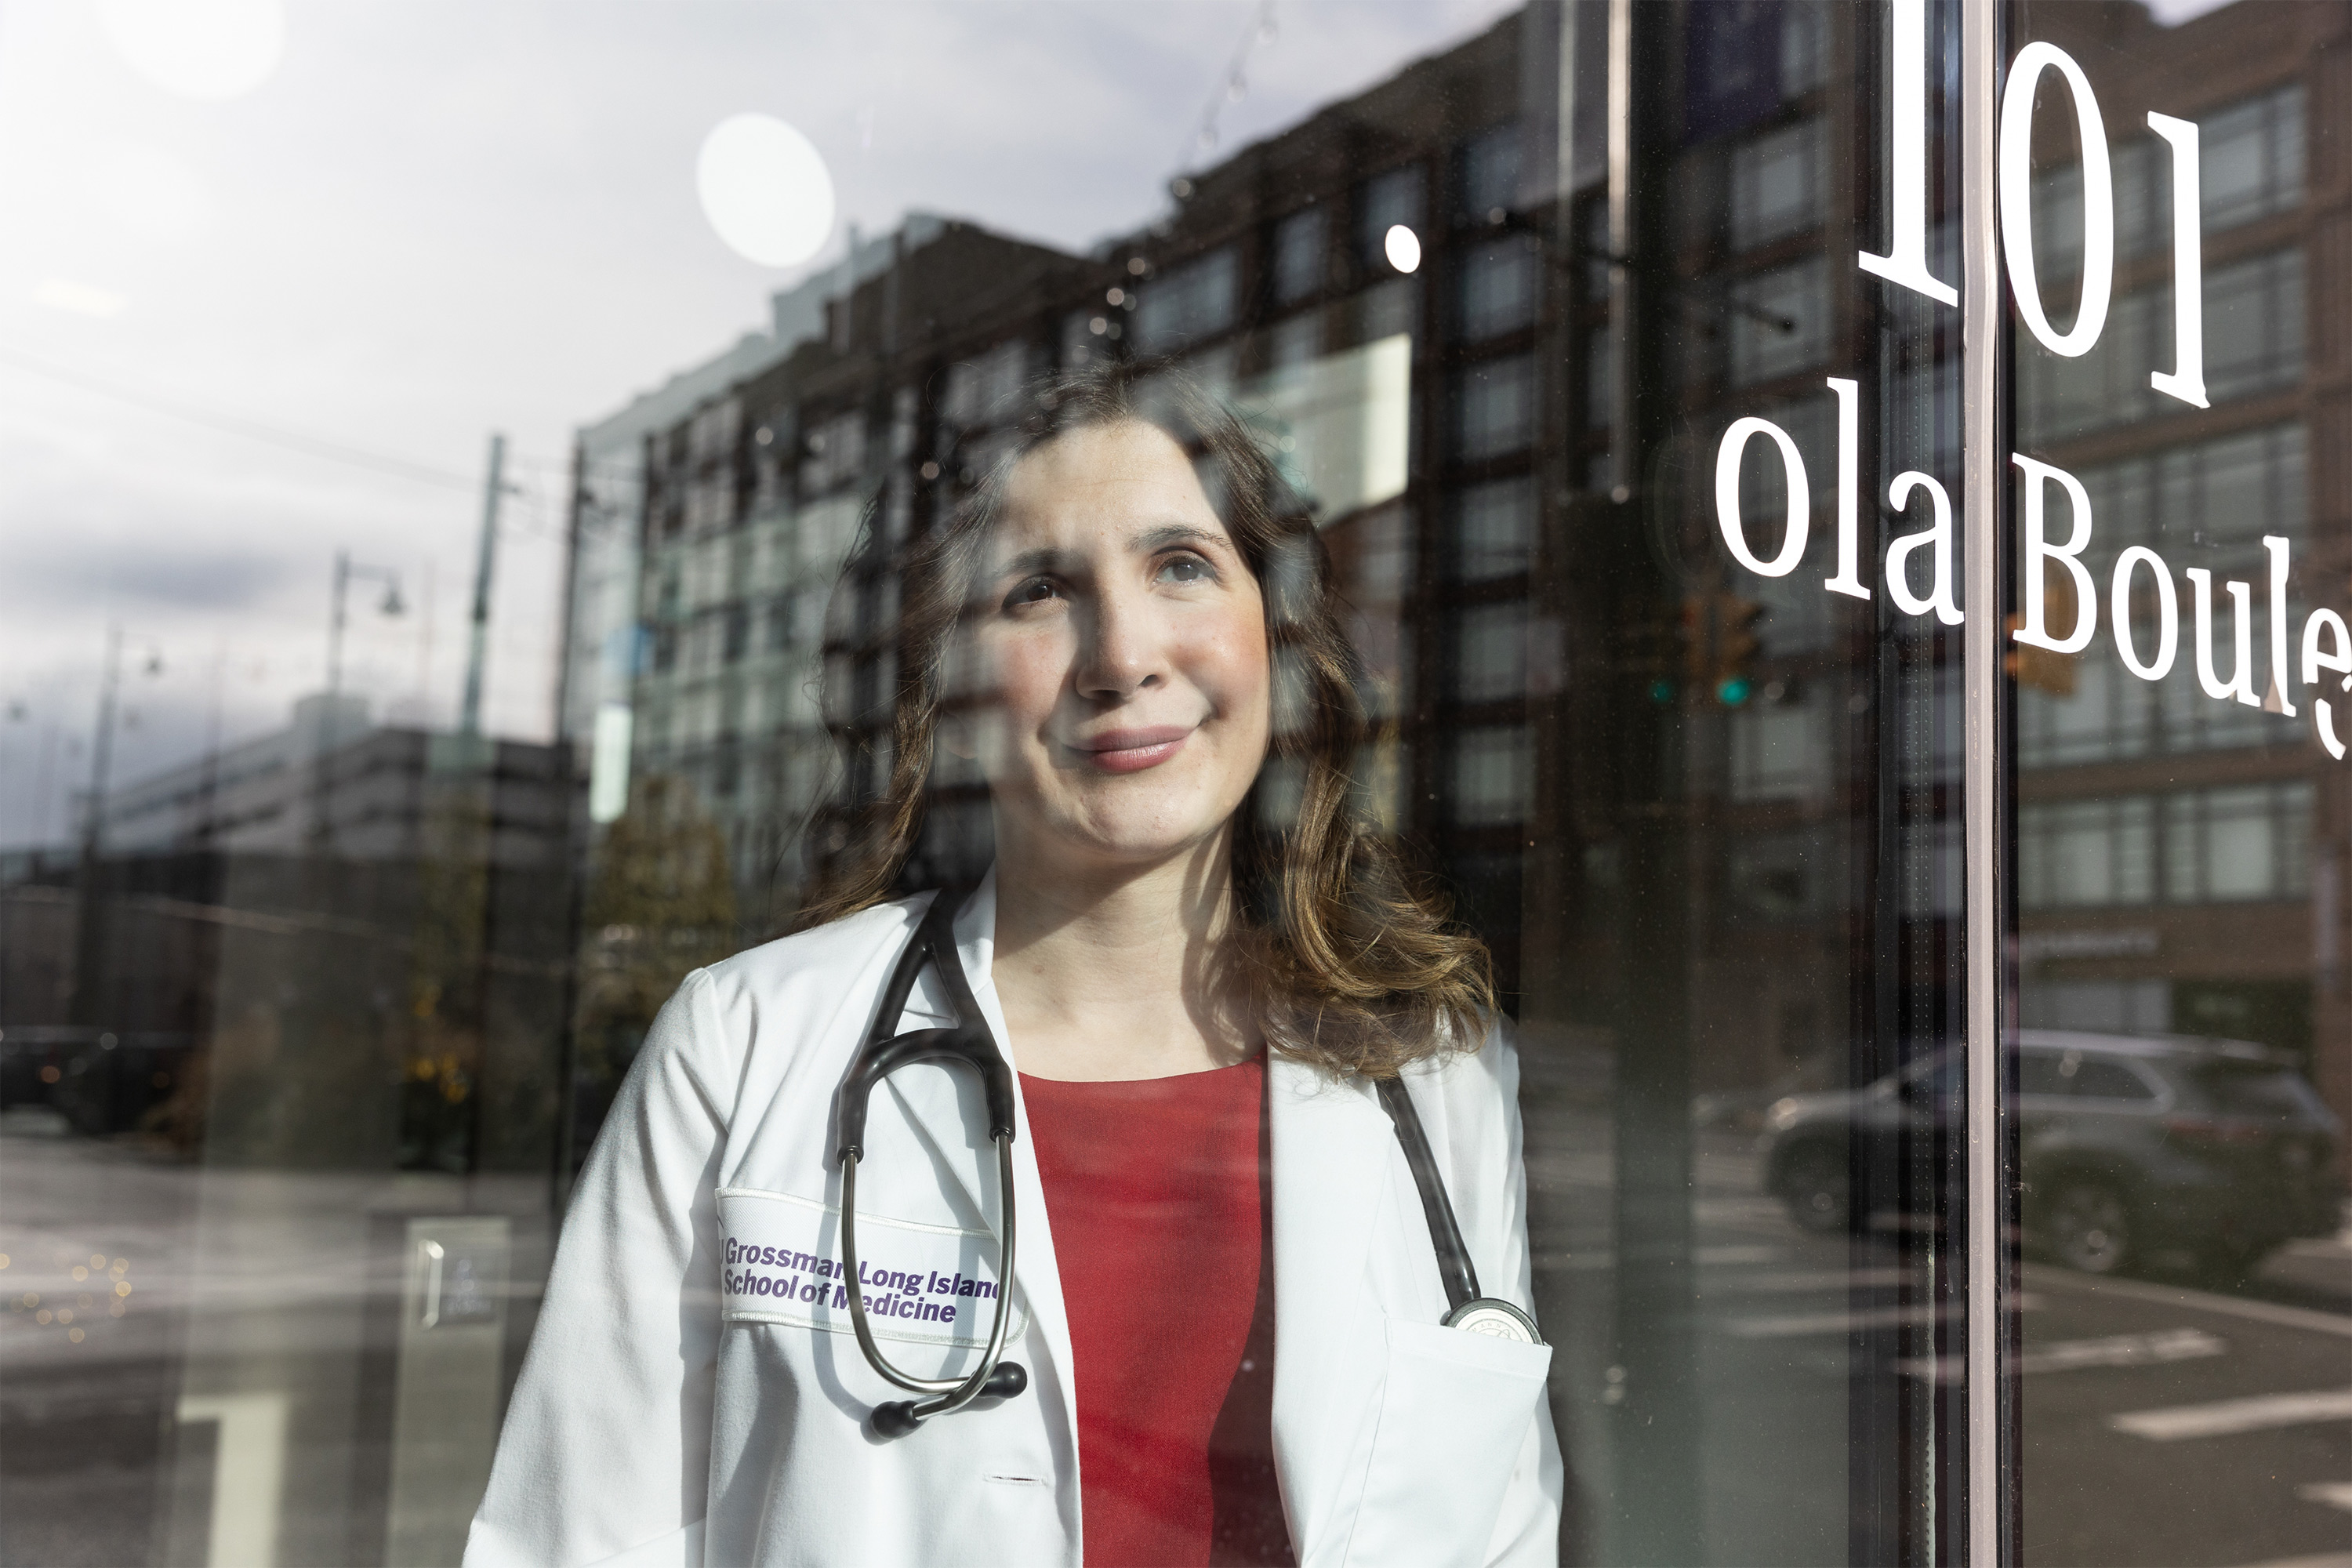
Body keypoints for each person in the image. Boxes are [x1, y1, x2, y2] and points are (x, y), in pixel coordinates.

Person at [465, 365, 1562, 1568]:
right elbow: (573, 1542)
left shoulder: (1437, 1074)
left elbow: (1507, 1534)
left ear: (1277, 629)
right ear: (956, 687)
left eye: (1182, 565)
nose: (1124, 655)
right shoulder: (744, 1048)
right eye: (1041, 590)